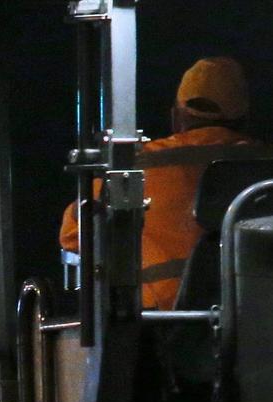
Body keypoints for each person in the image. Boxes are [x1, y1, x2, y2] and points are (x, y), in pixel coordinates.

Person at [60, 57, 267, 310]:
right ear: (244, 119)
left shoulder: (132, 168)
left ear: (176, 117)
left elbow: (74, 234)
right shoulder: (264, 168)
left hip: (158, 329)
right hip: (259, 325)